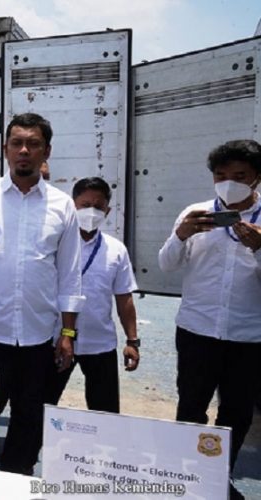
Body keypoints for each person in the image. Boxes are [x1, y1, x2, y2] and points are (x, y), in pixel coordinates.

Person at [0, 112, 84, 475]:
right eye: (17, 143)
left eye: (33, 144)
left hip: (39, 340)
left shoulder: (62, 206)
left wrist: (67, 333)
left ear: (46, 151)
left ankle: (16, 484)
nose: (24, 150)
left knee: (28, 424)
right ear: (5, 149)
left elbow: (70, 275)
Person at [158, 139, 261, 500]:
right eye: (220, 175)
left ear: (257, 177)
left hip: (248, 336)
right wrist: (181, 234)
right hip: (197, 330)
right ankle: (187, 477)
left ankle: (218, 478)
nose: (228, 183)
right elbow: (166, 265)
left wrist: (259, 249)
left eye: (239, 176)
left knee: (236, 413)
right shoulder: (196, 213)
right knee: (191, 406)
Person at [45, 177, 139, 413]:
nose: (91, 212)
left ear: (107, 211)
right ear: (73, 206)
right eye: (85, 205)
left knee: (105, 413)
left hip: (100, 343)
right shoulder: (54, 245)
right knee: (41, 408)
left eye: (98, 206)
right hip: (56, 341)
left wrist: (132, 341)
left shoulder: (116, 250)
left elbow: (124, 298)